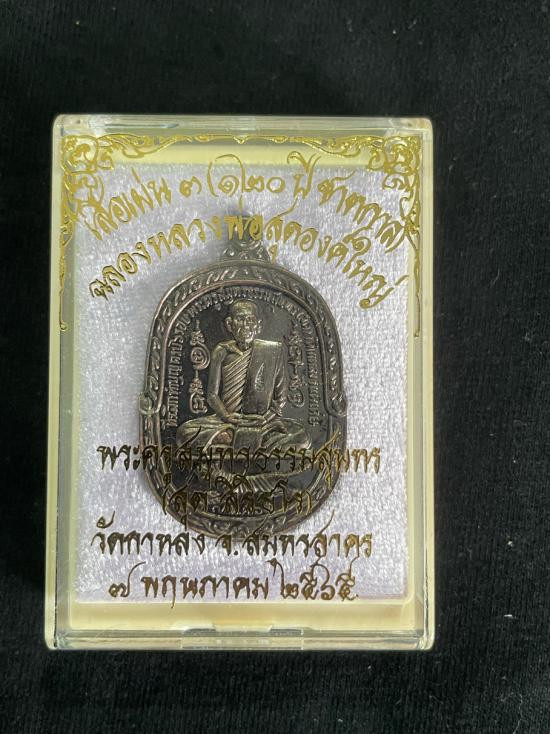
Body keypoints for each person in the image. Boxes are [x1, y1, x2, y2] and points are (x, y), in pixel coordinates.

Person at [176, 299, 311, 456]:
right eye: (240, 320)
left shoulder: (272, 351)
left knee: (302, 437)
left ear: (258, 325)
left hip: (262, 423)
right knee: (185, 433)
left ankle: (231, 442)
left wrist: (266, 419)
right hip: (227, 422)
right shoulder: (222, 351)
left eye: (250, 320)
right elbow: (212, 395)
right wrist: (226, 416)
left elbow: (280, 399)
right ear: (229, 324)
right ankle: (250, 442)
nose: (246, 326)